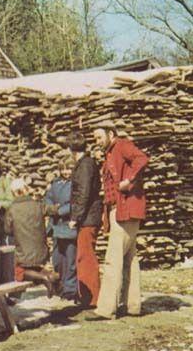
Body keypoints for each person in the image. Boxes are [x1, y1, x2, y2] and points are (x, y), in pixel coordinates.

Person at [87, 126, 149, 321]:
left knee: (113, 259)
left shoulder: (122, 146)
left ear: (111, 135)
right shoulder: (111, 153)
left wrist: (129, 180)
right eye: (95, 138)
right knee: (130, 259)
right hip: (123, 210)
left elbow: (142, 158)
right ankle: (132, 306)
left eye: (99, 137)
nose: (97, 140)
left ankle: (106, 309)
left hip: (125, 210)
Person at [5, 178, 60, 297]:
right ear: (25, 190)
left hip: (23, 252)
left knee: (19, 273)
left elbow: (7, 230)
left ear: (14, 193)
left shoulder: (12, 210)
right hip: (41, 251)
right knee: (34, 267)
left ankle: (44, 278)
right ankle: (50, 276)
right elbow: (54, 210)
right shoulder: (38, 205)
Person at [67, 132, 103, 308]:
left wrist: (75, 217)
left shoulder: (85, 166)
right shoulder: (86, 164)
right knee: (84, 255)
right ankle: (87, 296)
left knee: (85, 256)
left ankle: (93, 298)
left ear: (71, 150)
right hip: (88, 216)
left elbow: (84, 193)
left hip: (88, 218)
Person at [45, 157, 77, 301]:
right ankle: (59, 285)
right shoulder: (56, 184)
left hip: (68, 224)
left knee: (70, 258)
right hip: (56, 225)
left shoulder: (75, 185)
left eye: (69, 169)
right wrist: (51, 208)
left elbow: (74, 203)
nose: (66, 172)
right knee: (57, 258)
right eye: (63, 169)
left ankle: (70, 289)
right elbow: (48, 198)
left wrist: (60, 210)